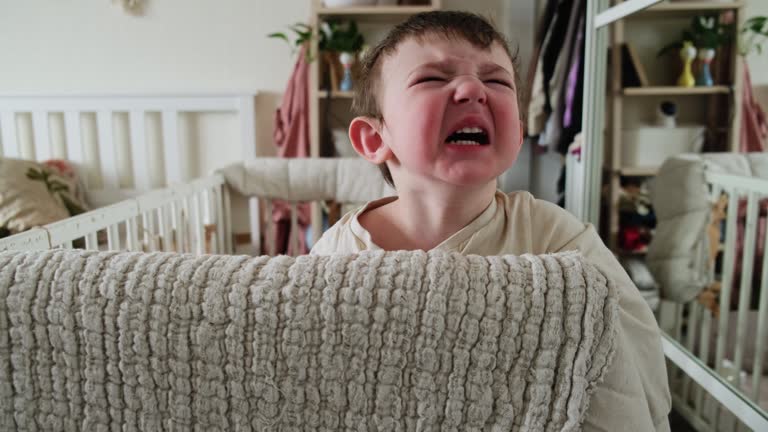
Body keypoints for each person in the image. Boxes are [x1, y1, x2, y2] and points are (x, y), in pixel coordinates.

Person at [311, 11, 671, 431]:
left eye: (497, 82)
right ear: (375, 139)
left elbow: (632, 373)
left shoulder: (558, 238)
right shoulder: (337, 256)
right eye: (432, 79)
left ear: (517, 135)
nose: (471, 89)